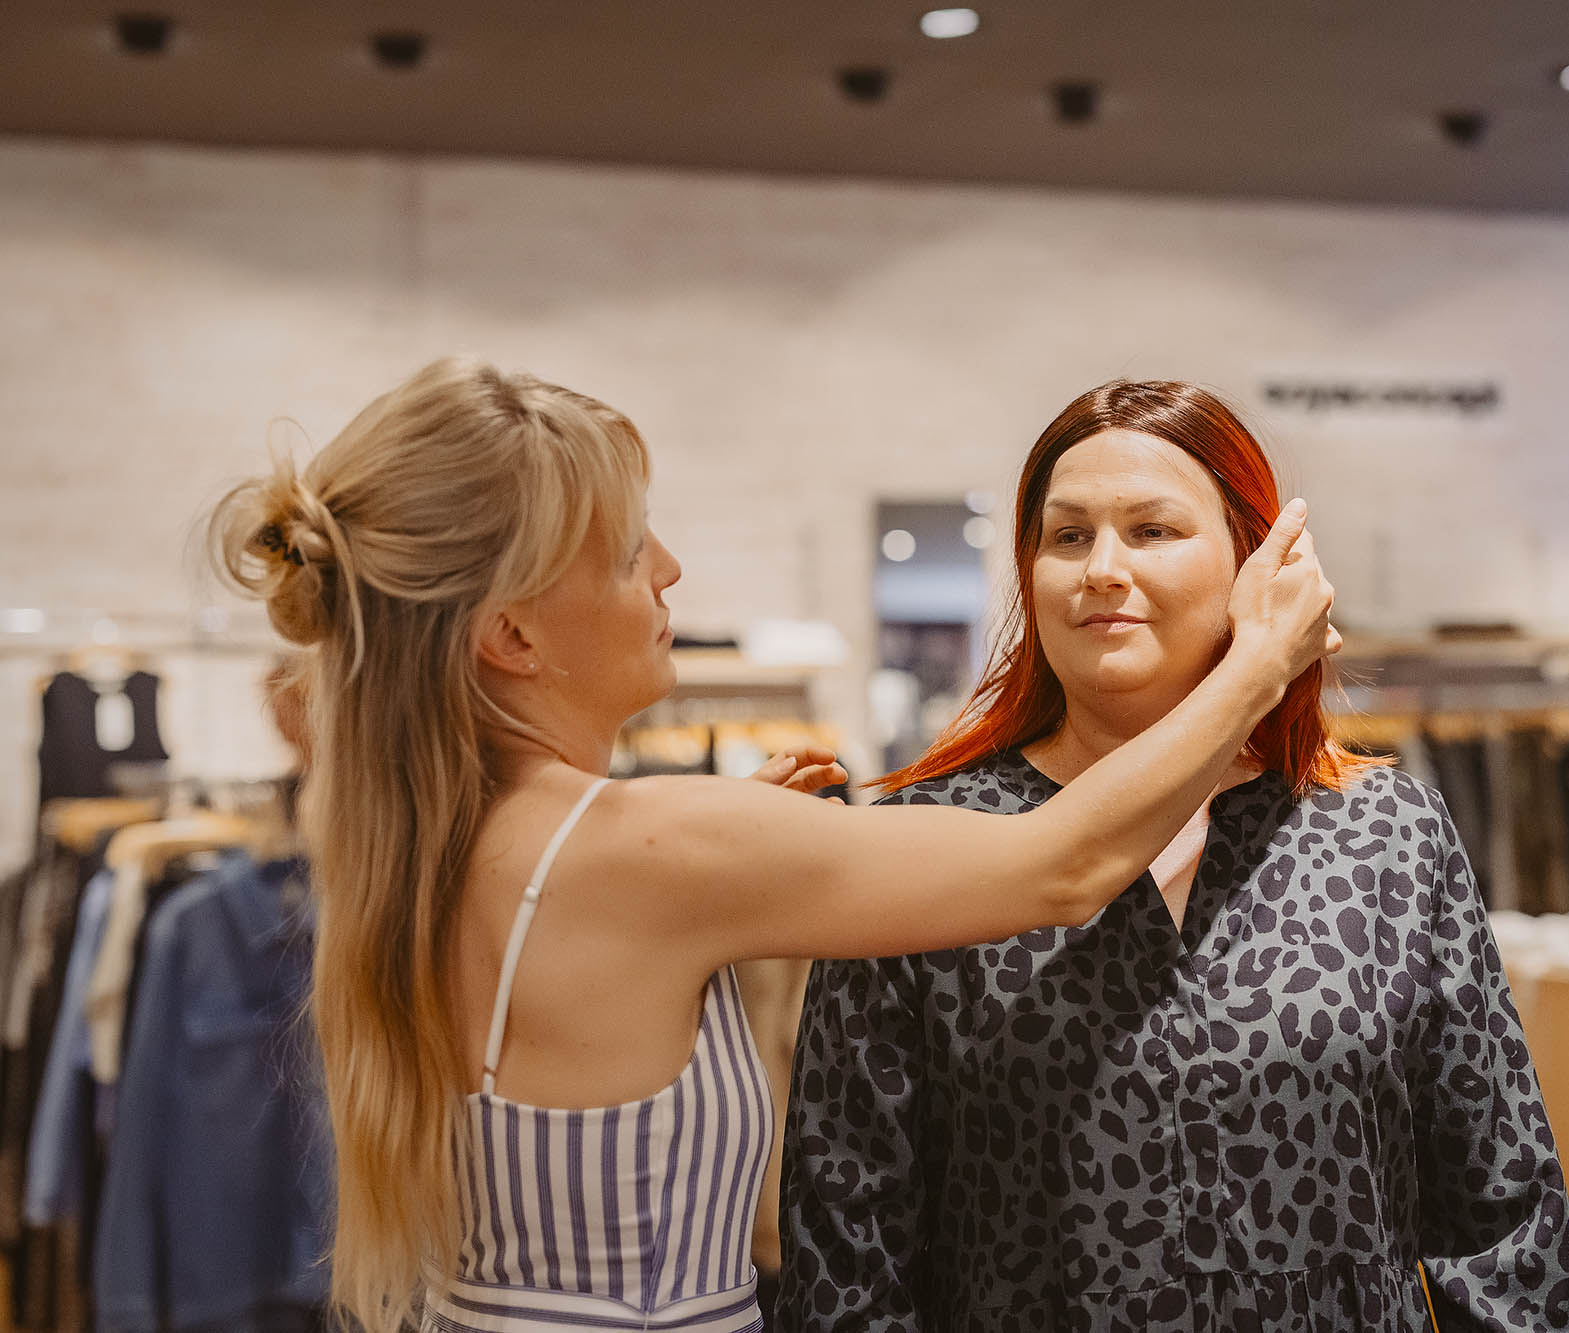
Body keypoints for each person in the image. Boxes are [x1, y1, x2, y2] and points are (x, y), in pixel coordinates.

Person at [203, 358, 1336, 1333]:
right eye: (625, 551)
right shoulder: (655, 847)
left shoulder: (448, 838)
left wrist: (722, 843)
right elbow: (1064, 865)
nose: (669, 572)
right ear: (509, 633)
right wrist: (1257, 662)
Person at [778, 380, 1569, 1332]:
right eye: (1068, 536)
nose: (1101, 569)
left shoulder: (1384, 835)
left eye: (1153, 530)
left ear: (1253, 564)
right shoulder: (924, 844)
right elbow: (848, 1232)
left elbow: (1501, 1205)